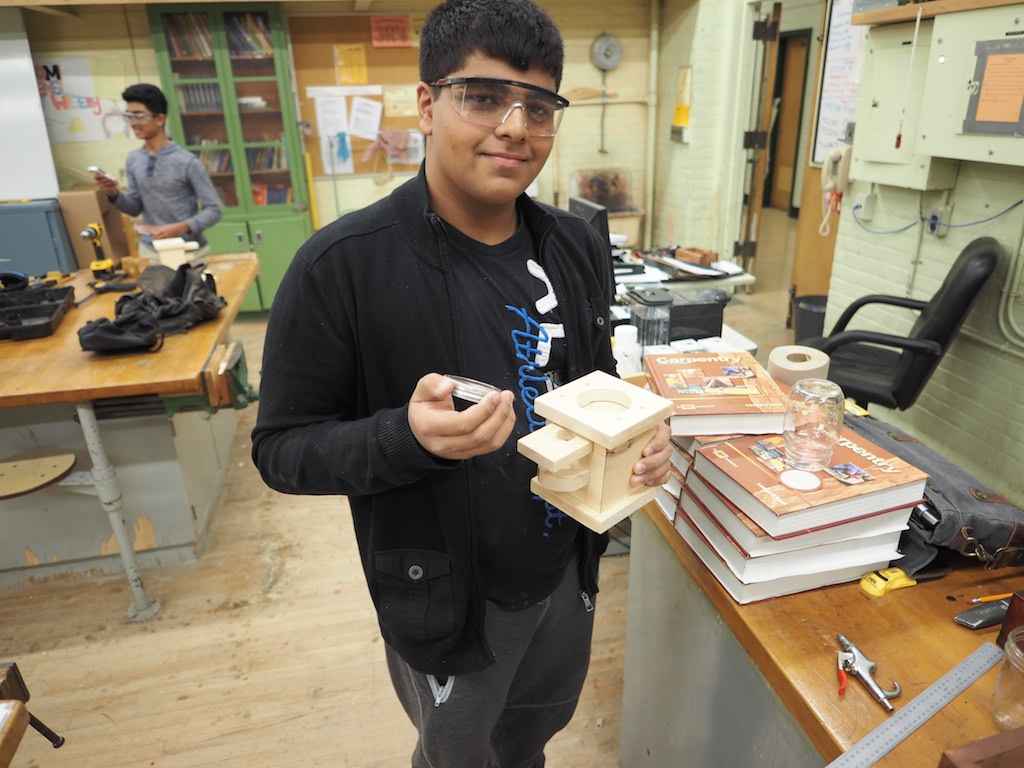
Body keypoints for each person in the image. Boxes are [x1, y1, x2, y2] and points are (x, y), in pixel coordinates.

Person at [251, 1, 671, 766]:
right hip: (451, 594)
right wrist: (404, 437)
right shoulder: (341, 266)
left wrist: (638, 430)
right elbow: (281, 450)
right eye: (483, 97)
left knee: (532, 738)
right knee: (457, 754)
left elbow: (596, 377)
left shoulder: (575, 245)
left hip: (565, 571)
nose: (515, 128)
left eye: (538, 108)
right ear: (426, 104)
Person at [95, 83, 222, 261]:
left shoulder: (187, 161)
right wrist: (113, 193)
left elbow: (214, 210)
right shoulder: (133, 159)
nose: (133, 123)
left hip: (189, 251)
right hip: (151, 252)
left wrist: (181, 227)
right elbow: (134, 208)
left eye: (138, 116)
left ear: (159, 119)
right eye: (128, 116)